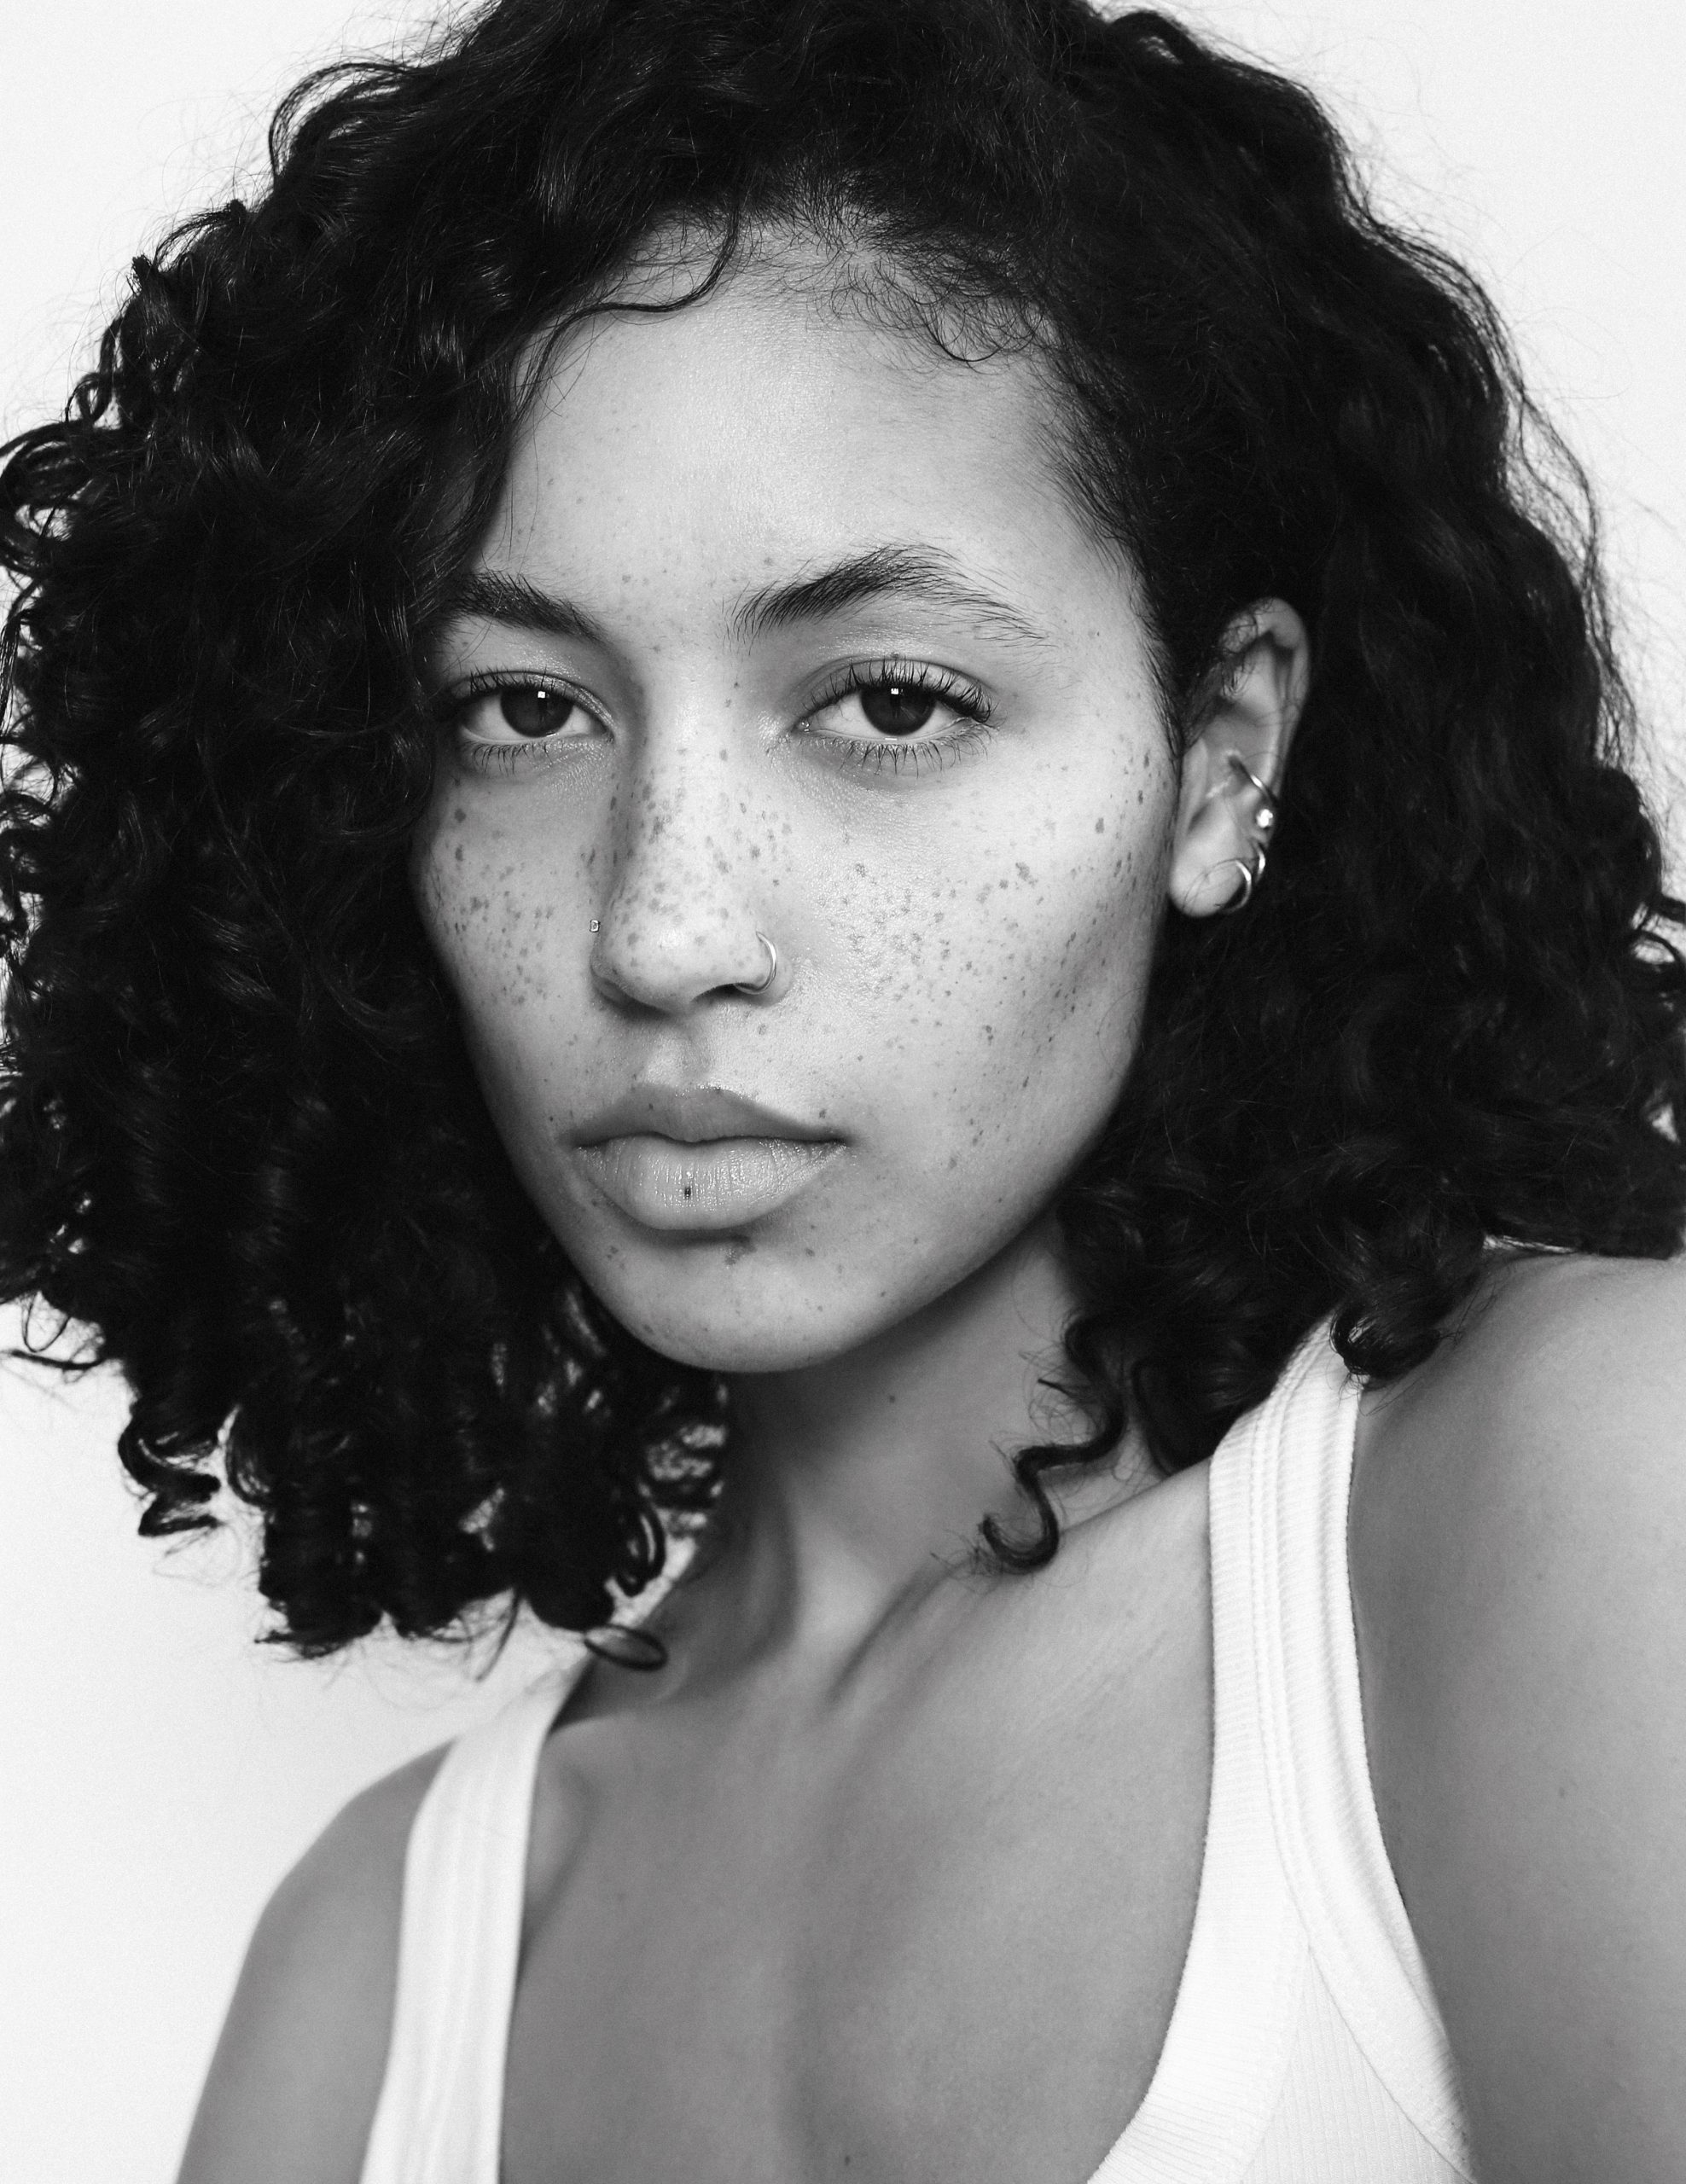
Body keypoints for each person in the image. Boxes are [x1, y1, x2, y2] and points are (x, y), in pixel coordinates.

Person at [3, 0, 1683, 2176]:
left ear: (1218, 756)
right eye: (521, 709)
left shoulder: (1566, 1490)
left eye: (886, 701)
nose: (662, 925)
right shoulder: (377, 1970)